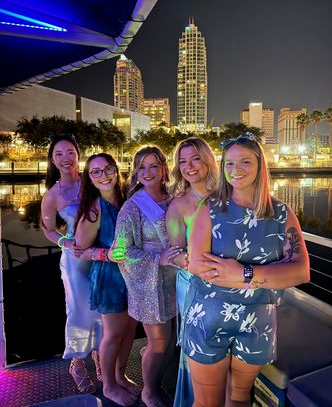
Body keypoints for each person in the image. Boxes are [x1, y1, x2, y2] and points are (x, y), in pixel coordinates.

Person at [183, 132, 310, 407]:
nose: (235, 170)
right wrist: (271, 275)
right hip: (208, 317)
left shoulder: (281, 213)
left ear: (260, 166)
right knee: (207, 402)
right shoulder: (210, 208)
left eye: (245, 162)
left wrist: (243, 274)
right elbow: (198, 265)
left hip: (257, 321)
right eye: (229, 163)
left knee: (240, 398)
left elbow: (301, 271)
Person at [111, 145, 182, 407]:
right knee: (161, 343)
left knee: (170, 339)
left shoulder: (175, 197)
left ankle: (151, 361)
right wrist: (156, 258)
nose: (148, 172)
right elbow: (118, 251)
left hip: (177, 282)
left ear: (164, 168)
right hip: (149, 285)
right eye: (142, 167)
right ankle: (149, 391)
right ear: (136, 172)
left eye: (154, 165)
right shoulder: (133, 207)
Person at [75, 153, 139, 406]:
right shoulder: (94, 209)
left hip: (133, 275)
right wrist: (106, 254)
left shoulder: (126, 199)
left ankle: (120, 375)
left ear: (116, 170)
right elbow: (80, 249)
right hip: (110, 277)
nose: (104, 175)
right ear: (89, 178)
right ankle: (109, 385)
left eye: (108, 169)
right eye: (96, 172)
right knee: (112, 334)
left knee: (130, 329)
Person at [41, 134, 102, 394]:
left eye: (70, 153)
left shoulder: (92, 182)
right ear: (52, 160)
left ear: (78, 154)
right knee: (78, 310)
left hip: (101, 254)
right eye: (58, 154)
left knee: (102, 308)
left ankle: (101, 357)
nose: (65, 159)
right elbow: (49, 230)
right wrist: (66, 242)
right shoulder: (52, 195)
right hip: (75, 259)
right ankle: (77, 362)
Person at [166, 137, 219, 407]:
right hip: (194, 286)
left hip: (231, 285)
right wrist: (194, 264)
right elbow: (174, 253)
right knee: (198, 353)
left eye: (195, 158)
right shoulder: (178, 205)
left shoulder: (229, 194)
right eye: (183, 161)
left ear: (208, 159)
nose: (189, 166)